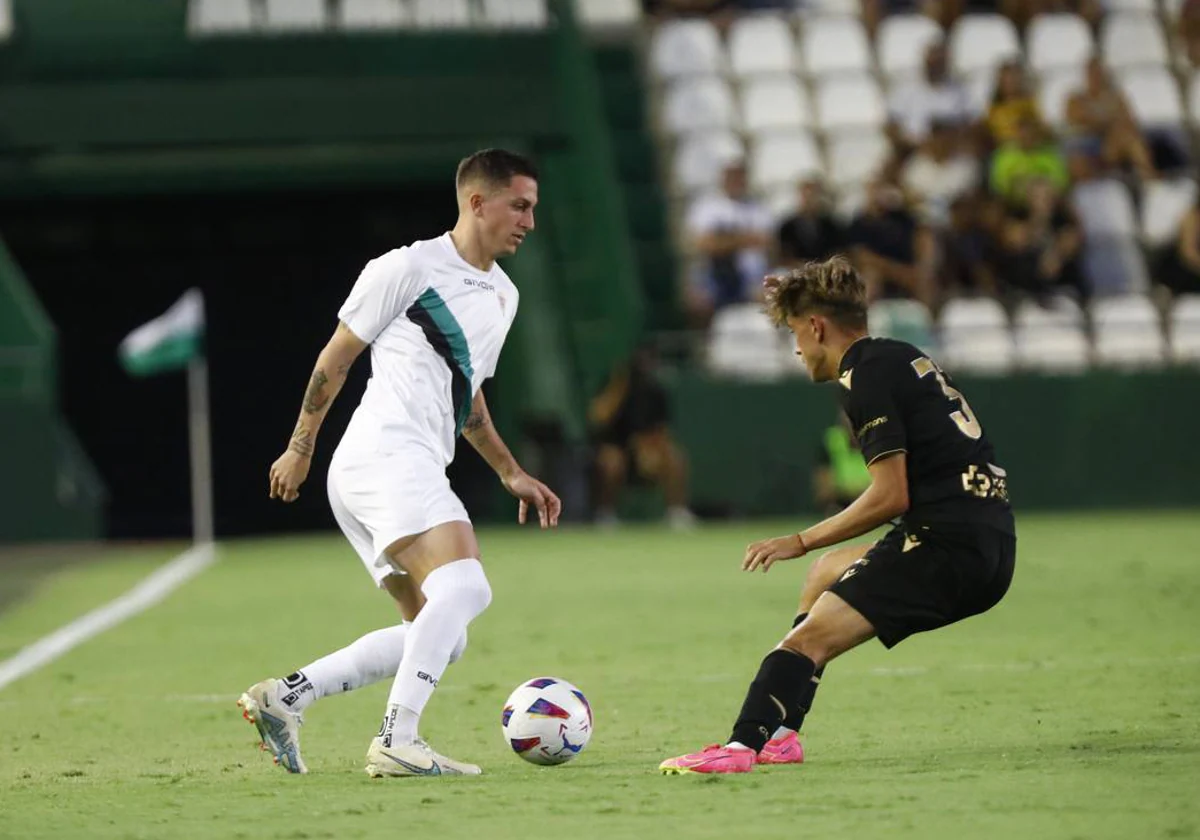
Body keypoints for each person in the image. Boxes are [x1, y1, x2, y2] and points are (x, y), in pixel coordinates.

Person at [237, 149, 562, 778]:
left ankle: (286, 697)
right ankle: (398, 738)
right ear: (477, 202)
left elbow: (465, 397)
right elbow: (335, 359)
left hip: (392, 469)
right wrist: (298, 445)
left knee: (440, 630)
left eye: (534, 209)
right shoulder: (409, 267)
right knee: (466, 586)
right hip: (384, 456)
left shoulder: (503, 295)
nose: (529, 221)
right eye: (519, 206)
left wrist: (508, 471)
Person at [660, 255, 1015, 774]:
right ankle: (782, 736)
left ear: (817, 326)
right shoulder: (898, 356)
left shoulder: (863, 376)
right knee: (826, 573)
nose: (797, 349)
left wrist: (799, 539)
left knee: (805, 641)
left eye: (795, 333)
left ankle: (740, 748)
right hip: (989, 540)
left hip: (947, 548)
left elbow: (890, 496)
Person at [590, 344, 696, 529]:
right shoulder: (611, 387)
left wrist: (649, 451)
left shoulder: (655, 391)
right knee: (611, 462)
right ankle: (605, 515)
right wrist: (619, 385)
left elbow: (661, 430)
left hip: (646, 449)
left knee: (675, 458)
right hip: (617, 449)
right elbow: (599, 418)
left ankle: (677, 513)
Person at [684, 161, 774, 328]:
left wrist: (724, 240)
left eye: (740, 176)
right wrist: (744, 239)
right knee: (698, 299)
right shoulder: (707, 207)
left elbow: (766, 241)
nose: (736, 181)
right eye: (731, 176)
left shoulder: (758, 207)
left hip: (752, 275)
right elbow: (705, 244)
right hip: (715, 272)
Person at [813, 410, 872, 516]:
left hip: (876, 505)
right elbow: (824, 492)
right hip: (841, 507)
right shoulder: (831, 441)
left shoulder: (880, 442)